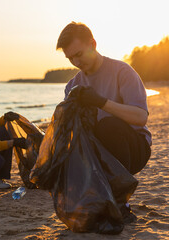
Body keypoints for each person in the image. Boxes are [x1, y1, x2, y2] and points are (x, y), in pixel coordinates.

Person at [56, 22, 151, 222]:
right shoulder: (73, 86)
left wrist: (101, 102)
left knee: (109, 126)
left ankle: (121, 203)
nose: (75, 61)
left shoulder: (122, 72)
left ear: (93, 44)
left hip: (134, 148)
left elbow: (141, 117)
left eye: (78, 54)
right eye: (70, 58)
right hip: (97, 152)